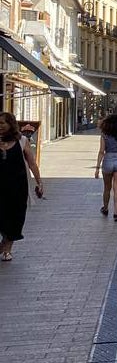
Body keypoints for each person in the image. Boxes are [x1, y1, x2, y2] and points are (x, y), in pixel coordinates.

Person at [0, 112, 44, 261]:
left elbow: (32, 163)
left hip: (18, 188)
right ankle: (4, 243)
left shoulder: (22, 141)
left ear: (10, 124)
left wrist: (39, 182)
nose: (0, 127)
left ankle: (7, 249)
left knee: (15, 219)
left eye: (2, 123)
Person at [95, 113, 117, 222]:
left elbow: (101, 151)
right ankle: (116, 213)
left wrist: (97, 168)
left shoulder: (104, 135)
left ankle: (105, 208)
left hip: (108, 161)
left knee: (107, 188)